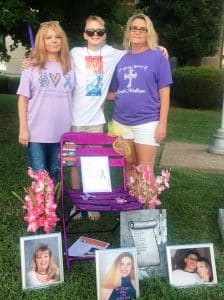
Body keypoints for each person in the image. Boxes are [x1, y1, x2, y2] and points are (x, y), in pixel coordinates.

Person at [22, 15, 168, 221]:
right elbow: (52, 60)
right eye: (90, 32)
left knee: (94, 162)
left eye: (99, 32)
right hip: (72, 119)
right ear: (84, 34)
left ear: (105, 35)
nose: (95, 35)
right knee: (73, 163)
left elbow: (139, 49)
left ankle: (93, 202)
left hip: (96, 121)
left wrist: (159, 48)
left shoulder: (114, 54)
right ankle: (76, 204)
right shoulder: (74, 53)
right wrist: (30, 60)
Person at [108, 13, 173, 183]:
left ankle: (146, 208)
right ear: (128, 31)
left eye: (142, 29)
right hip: (121, 123)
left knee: (145, 170)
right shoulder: (121, 59)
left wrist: (162, 123)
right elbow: (114, 91)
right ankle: (132, 207)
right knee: (129, 165)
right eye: (134, 28)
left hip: (147, 122)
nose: (137, 32)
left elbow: (164, 92)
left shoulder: (158, 56)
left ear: (148, 33)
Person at [17, 21, 75, 185]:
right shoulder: (31, 66)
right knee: (39, 176)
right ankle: (39, 210)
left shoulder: (70, 67)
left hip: (63, 133)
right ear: (41, 41)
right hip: (36, 134)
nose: (54, 40)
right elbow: (23, 99)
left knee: (56, 174)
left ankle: (52, 210)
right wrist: (23, 128)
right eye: (48, 37)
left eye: (58, 37)